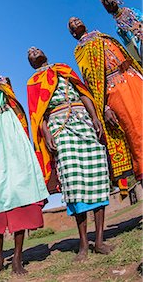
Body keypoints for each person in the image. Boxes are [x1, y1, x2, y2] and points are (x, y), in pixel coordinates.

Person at [27, 47, 113, 261]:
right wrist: (46, 135)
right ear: (30, 62)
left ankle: (100, 240)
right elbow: (37, 115)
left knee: (96, 176)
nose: (34, 51)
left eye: (37, 49)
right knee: (73, 183)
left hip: (82, 120)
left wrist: (94, 118)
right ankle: (84, 243)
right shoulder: (33, 82)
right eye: (30, 53)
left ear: (45, 54)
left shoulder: (64, 69)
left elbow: (83, 94)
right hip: (59, 127)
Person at [0, 53, 48, 278]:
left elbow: (15, 107)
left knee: (17, 187)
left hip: (9, 130)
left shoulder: (4, 81)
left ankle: (17, 258)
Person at [68, 17, 143, 190]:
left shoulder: (103, 36)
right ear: (73, 32)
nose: (76, 21)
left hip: (134, 79)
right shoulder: (80, 50)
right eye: (72, 23)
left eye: (77, 19)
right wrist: (105, 107)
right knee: (136, 135)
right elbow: (90, 79)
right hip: (114, 91)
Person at [100, 0, 142, 64]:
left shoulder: (132, 11)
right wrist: (139, 62)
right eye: (105, 2)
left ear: (115, 0)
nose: (107, 0)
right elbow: (130, 47)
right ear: (107, 10)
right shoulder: (119, 29)